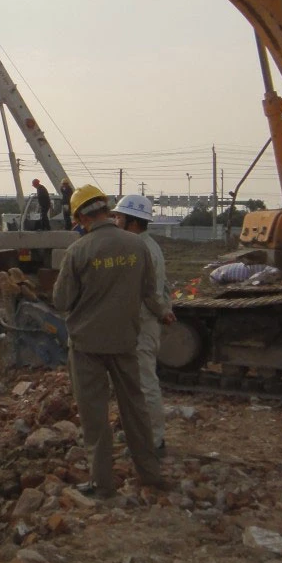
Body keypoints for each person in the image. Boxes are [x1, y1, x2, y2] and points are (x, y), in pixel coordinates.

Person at [52, 184, 175, 498]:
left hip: (87, 347)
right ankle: (149, 472)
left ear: (80, 216)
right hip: (125, 342)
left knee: (95, 417)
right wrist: (163, 312)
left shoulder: (78, 251)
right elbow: (150, 293)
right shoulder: (138, 247)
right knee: (134, 409)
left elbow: (62, 301)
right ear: (107, 210)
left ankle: (102, 483)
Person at [112, 194, 169, 453]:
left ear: (133, 222)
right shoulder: (144, 246)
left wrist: (162, 311)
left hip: (143, 325)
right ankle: (136, 432)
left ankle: (153, 441)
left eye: (119, 217)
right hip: (134, 325)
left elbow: (150, 293)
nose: (115, 221)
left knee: (145, 384)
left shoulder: (141, 250)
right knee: (131, 384)